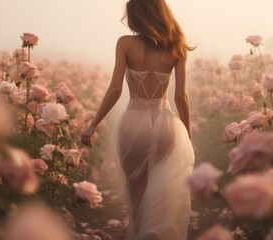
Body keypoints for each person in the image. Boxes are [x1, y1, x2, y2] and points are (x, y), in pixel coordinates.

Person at [81, 0, 195, 239]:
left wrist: (93, 125)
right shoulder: (177, 46)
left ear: (137, 15)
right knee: (163, 191)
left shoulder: (125, 43)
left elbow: (115, 90)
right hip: (166, 123)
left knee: (137, 190)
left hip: (134, 122)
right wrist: (187, 132)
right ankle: (155, 233)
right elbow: (181, 96)